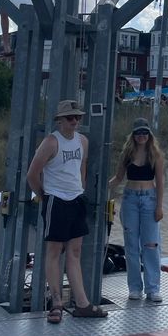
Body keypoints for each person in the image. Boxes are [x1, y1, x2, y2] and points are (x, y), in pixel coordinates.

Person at [26, 99, 108, 322]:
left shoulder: (83, 141)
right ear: (60, 120)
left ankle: (82, 303)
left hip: (75, 199)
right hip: (56, 199)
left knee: (75, 252)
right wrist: (44, 195)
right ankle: (56, 302)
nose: (75, 121)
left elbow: (81, 166)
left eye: (78, 117)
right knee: (54, 252)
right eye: (70, 118)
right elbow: (32, 174)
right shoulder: (51, 142)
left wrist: (79, 189)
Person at [108, 117, 165, 302]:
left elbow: (160, 182)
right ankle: (134, 288)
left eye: (145, 133)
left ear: (149, 135)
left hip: (149, 199)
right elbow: (118, 178)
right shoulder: (127, 154)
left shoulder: (155, 154)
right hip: (130, 198)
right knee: (131, 246)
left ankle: (153, 288)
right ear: (133, 135)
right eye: (138, 133)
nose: (142, 136)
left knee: (150, 245)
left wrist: (159, 206)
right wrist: (102, 188)